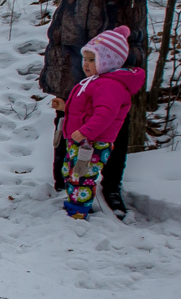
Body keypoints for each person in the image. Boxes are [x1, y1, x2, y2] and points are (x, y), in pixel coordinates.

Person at [40, 0, 166, 217]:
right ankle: (65, 182)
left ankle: (110, 187)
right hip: (71, 41)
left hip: (115, 46)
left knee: (112, 118)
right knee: (68, 112)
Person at [50, 26, 145, 220]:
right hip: (83, 140)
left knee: (82, 176)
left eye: (92, 59)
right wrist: (65, 106)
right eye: (85, 58)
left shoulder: (110, 85)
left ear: (109, 60)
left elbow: (105, 114)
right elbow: (86, 109)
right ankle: (74, 206)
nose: (86, 64)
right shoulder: (96, 81)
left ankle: (77, 212)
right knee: (72, 172)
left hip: (92, 143)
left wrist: (86, 131)